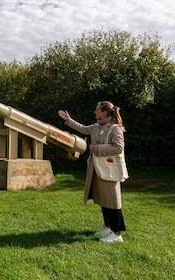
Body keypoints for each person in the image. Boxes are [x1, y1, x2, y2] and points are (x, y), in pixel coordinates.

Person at [58, 101, 128, 243]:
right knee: (103, 199)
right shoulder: (96, 127)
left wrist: (96, 149)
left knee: (113, 201)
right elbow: (83, 129)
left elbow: (118, 148)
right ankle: (108, 227)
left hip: (110, 170)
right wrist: (68, 120)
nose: (95, 112)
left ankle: (117, 233)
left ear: (104, 112)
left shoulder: (115, 129)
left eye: (97, 110)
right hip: (97, 168)